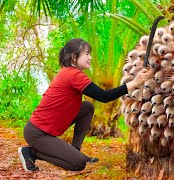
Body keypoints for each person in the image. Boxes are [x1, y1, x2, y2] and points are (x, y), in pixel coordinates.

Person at [17, 38, 151, 172]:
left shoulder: (69, 72)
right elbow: (104, 97)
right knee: (78, 163)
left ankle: (75, 151)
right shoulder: (73, 75)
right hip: (37, 133)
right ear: (74, 57)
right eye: (86, 54)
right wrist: (134, 82)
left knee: (87, 107)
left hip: (42, 129)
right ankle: (31, 152)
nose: (90, 57)